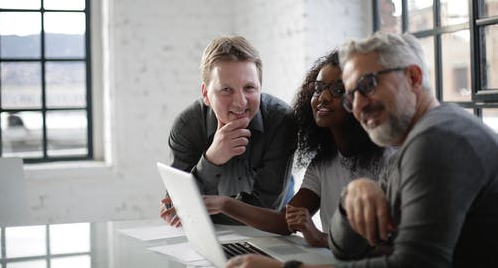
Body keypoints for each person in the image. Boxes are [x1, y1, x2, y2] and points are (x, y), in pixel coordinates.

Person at [225, 32, 498, 268]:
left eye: (367, 86)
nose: (357, 105)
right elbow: (346, 248)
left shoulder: (439, 139)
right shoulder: (411, 147)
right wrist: (353, 196)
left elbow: (415, 264)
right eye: (351, 95)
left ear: (413, 77)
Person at [200, 50, 392, 247]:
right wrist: (224, 204)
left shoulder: (390, 161)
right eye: (318, 88)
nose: (323, 97)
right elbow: (285, 222)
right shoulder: (322, 164)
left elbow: (397, 247)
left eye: (338, 90)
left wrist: (321, 238)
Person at [160, 36, 297, 225]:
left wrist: (200, 209)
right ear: (206, 94)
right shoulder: (188, 125)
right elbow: (175, 207)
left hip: (273, 232)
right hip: (211, 235)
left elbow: (267, 208)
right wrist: (212, 159)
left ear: (260, 88)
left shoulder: (281, 121)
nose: (240, 102)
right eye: (226, 89)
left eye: (249, 88)